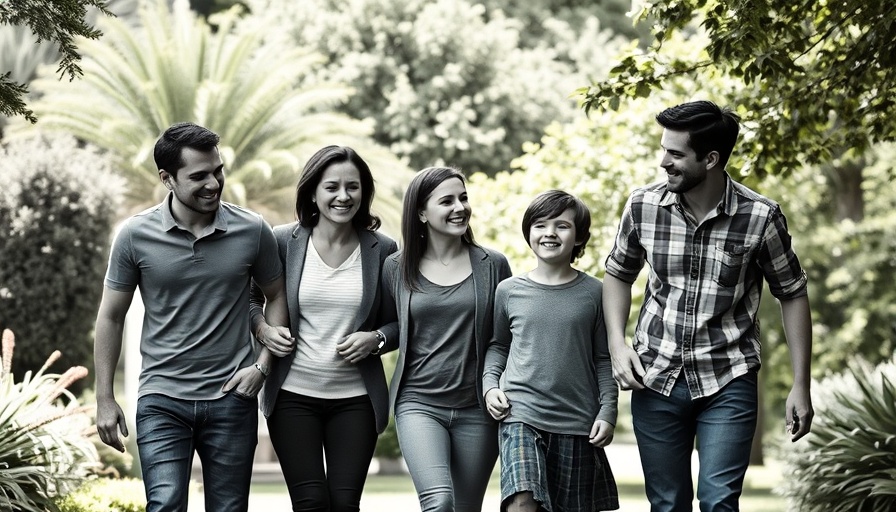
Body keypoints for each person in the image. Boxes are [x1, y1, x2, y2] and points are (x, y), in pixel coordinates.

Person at [603, 100, 814, 511]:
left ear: (711, 159)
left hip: (729, 376)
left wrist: (800, 384)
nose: (663, 162)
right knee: (668, 504)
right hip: (656, 376)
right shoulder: (643, 206)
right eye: (664, 150)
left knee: (719, 502)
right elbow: (618, 273)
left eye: (675, 154)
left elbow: (792, 293)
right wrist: (617, 343)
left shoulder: (760, 217)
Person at [94, 122, 295, 512]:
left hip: (233, 397)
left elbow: (276, 295)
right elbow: (111, 317)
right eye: (199, 176)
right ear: (166, 178)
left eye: (218, 171)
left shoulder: (252, 230)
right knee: (165, 504)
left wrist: (263, 366)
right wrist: (104, 398)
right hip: (161, 399)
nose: (214, 183)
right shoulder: (134, 235)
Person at [247, 145, 398, 511]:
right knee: (310, 503)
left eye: (353, 186)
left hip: (357, 399)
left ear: (364, 192)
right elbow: (251, 300)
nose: (343, 196)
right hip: (292, 396)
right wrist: (263, 330)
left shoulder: (383, 249)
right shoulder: (282, 241)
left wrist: (376, 338)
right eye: (332, 187)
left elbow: (402, 321)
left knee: (345, 504)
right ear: (313, 193)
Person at [380, 166, 512, 512]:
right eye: (447, 201)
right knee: (438, 501)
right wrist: (377, 338)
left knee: (466, 507)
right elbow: (393, 326)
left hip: (478, 408)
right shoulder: (396, 267)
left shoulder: (493, 265)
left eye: (463, 198)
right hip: (418, 403)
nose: (460, 207)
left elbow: (505, 337)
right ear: (421, 213)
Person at [484, 190, 620, 512]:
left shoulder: (595, 293)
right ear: (529, 232)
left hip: (577, 421)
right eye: (540, 225)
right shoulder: (508, 291)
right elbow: (498, 346)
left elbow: (604, 359)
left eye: (562, 226)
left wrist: (608, 411)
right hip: (520, 413)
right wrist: (490, 387)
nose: (550, 233)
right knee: (522, 499)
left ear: (579, 237)